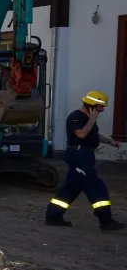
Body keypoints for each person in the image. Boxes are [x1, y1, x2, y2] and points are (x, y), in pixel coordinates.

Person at [46, 90, 123, 231]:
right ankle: (105, 220)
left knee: (71, 187)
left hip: (84, 154)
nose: (102, 110)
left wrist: (110, 142)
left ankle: (53, 215)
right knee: (95, 185)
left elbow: (92, 133)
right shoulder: (76, 117)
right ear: (92, 105)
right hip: (78, 154)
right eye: (100, 107)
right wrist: (92, 120)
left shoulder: (87, 119)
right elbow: (81, 134)